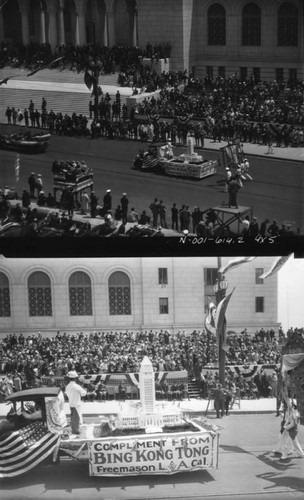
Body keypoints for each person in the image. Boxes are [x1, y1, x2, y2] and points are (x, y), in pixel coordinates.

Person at [65, 370, 87, 435]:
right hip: (76, 404)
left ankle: (74, 430)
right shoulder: (76, 386)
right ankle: (75, 431)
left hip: (71, 403)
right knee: (76, 418)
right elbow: (84, 393)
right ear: (75, 378)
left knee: (73, 418)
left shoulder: (67, 386)